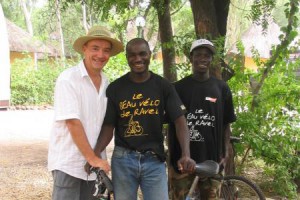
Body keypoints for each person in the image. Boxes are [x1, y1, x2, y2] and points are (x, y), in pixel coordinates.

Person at [92, 38, 195, 200]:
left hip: (154, 160)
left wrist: (186, 154)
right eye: (132, 55)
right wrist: (95, 154)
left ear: (150, 55)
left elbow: (180, 120)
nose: (138, 59)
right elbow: (108, 126)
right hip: (123, 160)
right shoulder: (116, 88)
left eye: (142, 54)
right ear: (127, 58)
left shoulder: (163, 86)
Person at [47, 26, 124, 200]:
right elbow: (73, 122)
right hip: (70, 163)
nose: (100, 55)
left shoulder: (107, 83)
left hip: (94, 165)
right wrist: (93, 159)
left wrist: (96, 158)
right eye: (95, 48)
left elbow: (107, 124)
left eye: (106, 50)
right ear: (84, 49)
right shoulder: (68, 79)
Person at [168, 39, 236, 199]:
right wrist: (171, 159)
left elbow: (226, 124)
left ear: (212, 59)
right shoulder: (177, 88)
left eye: (207, 55)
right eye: (198, 55)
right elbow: (171, 126)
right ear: (191, 57)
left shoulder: (222, 88)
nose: (203, 59)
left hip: (212, 162)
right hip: (182, 164)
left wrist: (225, 153)